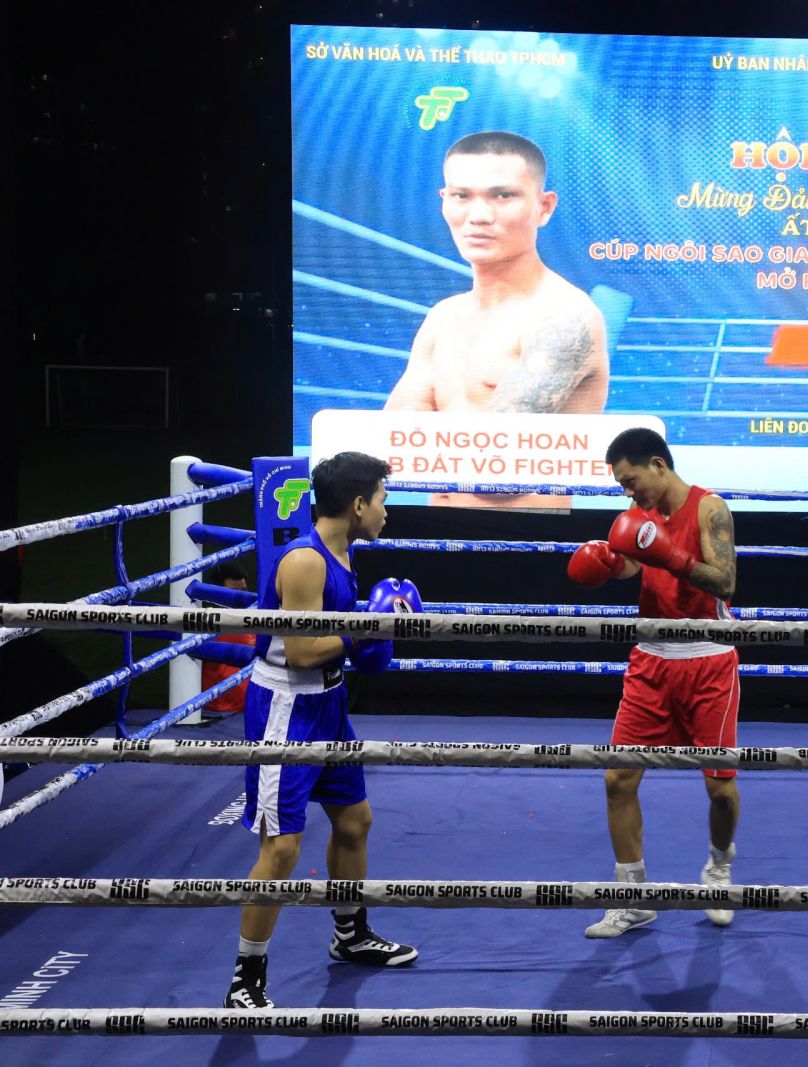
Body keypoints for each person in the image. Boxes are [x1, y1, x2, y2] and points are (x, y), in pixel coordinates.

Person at [225, 452, 420, 1009]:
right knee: (282, 847)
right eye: (381, 499)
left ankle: (350, 934)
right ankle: (246, 980)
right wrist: (368, 629)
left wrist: (367, 636)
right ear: (358, 504)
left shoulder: (343, 551)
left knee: (354, 822)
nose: (386, 511)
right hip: (287, 708)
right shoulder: (306, 562)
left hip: (329, 703)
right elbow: (304, 651)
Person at [565, 428, 740, 938]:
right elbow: (633, 563)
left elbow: (726, 581)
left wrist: (672, 556)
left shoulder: (710, 508)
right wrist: (606, 563)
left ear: (658, 465)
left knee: (720, 788)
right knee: (618, 780)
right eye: (622, 485)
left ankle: (719, 866)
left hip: (708, 658)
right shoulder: (639, 514)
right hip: (651, 659)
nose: (628, 491)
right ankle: (633, 898)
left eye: (631, 480)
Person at [385, 130, 608, 508]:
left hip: (522, 541)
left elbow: (496, 473)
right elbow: (387, 445)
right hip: (434, 535)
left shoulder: (565, 316)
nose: (479, 216)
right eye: (462, 196)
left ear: (545, 207)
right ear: (444, 201)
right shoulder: (444, 317)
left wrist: (422, 443)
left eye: (503, 196)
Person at [202, 562, 253, 714]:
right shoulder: (205, 624)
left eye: (244, 591)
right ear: (218, 593)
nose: (240, 598)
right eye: (233, 592)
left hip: (248, 710)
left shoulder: (254, 619)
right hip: (217, 713)